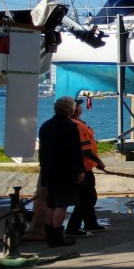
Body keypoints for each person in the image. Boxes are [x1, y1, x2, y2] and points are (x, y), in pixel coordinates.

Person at [37, 96, 85, 247]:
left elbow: (43, 150)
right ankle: (58, 235)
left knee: (51, 204)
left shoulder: (45, 125)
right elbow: (74, 151)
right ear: (70, 110)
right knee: (61, 205)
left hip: (48, 170)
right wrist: (80, 170)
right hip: (65, 171)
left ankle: (50, 233)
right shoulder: (70, 127)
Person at [65, 97, 108, 236]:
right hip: (82, 167)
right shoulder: (77, 125)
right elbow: (86, 149)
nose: (80, 107)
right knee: (88, 198)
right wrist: (99, 161)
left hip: (84, 166)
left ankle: (91, 223)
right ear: (74, 109)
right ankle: (73, 227)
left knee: (87, 197)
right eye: (78, 105)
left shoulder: (73, 123)